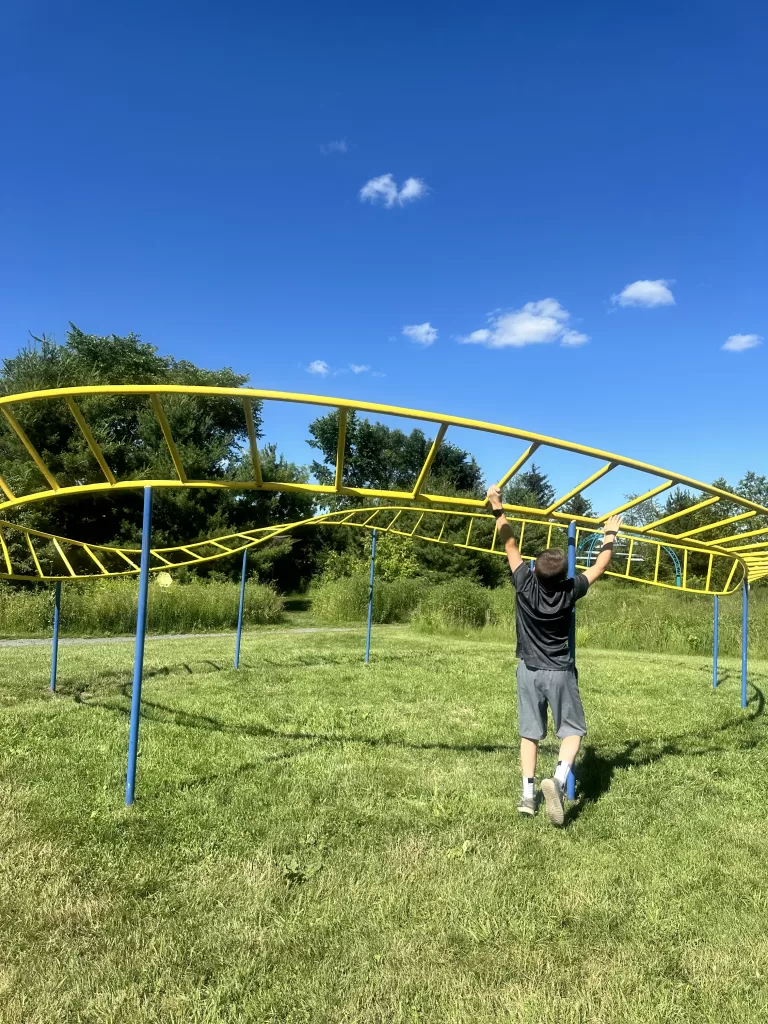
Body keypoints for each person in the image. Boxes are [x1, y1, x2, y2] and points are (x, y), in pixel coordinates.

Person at [485, 484, 621, 827]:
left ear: (534, 569)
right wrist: (609, 535)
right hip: (558, 670)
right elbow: (600, 567)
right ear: (564, 576)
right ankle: (558, 781)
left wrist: (497, 505)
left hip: (528, 669)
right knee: (572, 730)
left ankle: (528, 795)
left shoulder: (523, 584)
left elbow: (509, 542)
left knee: (530, 733)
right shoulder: (569, 592)